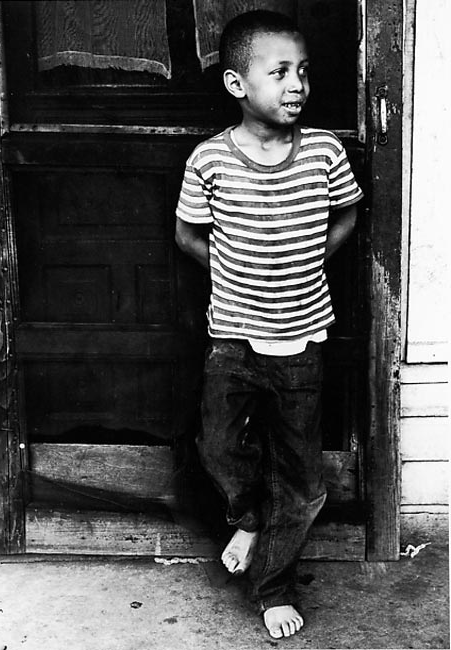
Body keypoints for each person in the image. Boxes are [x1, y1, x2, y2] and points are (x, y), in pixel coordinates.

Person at [175, 10, 363, 640]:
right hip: (231, 336)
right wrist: (234, 266)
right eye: (279, 71)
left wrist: (309, 257)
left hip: (302, 339)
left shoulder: (324, 153)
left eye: (303, 72)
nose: (297, 85)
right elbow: (188, 234)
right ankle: (247, 515)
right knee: (219, 446)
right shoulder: (210, 160)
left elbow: (346, 218)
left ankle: (274, 586)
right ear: (237, 84)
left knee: (302, 477)